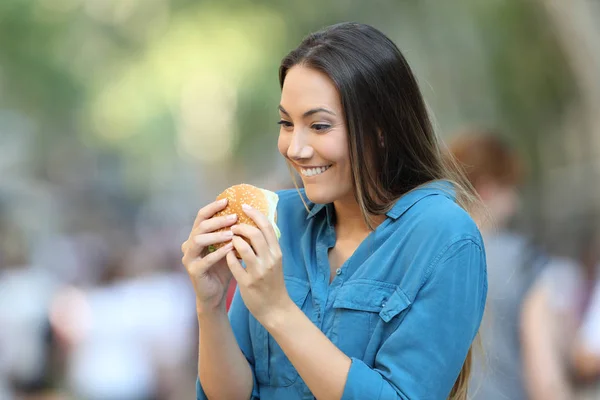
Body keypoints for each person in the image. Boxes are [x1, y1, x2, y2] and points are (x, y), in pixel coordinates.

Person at [181, 22, 487, 400]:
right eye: (287, 124)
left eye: (319, 125)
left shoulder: (445, 235)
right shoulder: (278, 222)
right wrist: (209, 305)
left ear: (381, 129)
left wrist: (279, 310)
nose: (296, 148)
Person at [447, 131, 550, 400]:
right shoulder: (521, 259)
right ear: (487, 188)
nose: (515, 203)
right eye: (510, 188)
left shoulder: (424, 258)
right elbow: (546, 380)